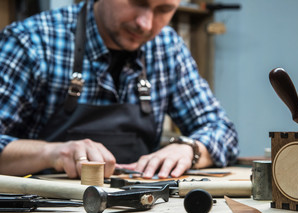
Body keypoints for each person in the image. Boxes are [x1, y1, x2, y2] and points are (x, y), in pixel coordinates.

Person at [0, 0, 239, 179]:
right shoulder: (31, 42)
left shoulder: (167, 47)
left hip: (143, 211)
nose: (145, 24)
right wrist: (51, 153)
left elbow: (222, 131)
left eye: (163, 9)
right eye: (137, 2)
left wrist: (191, 150)